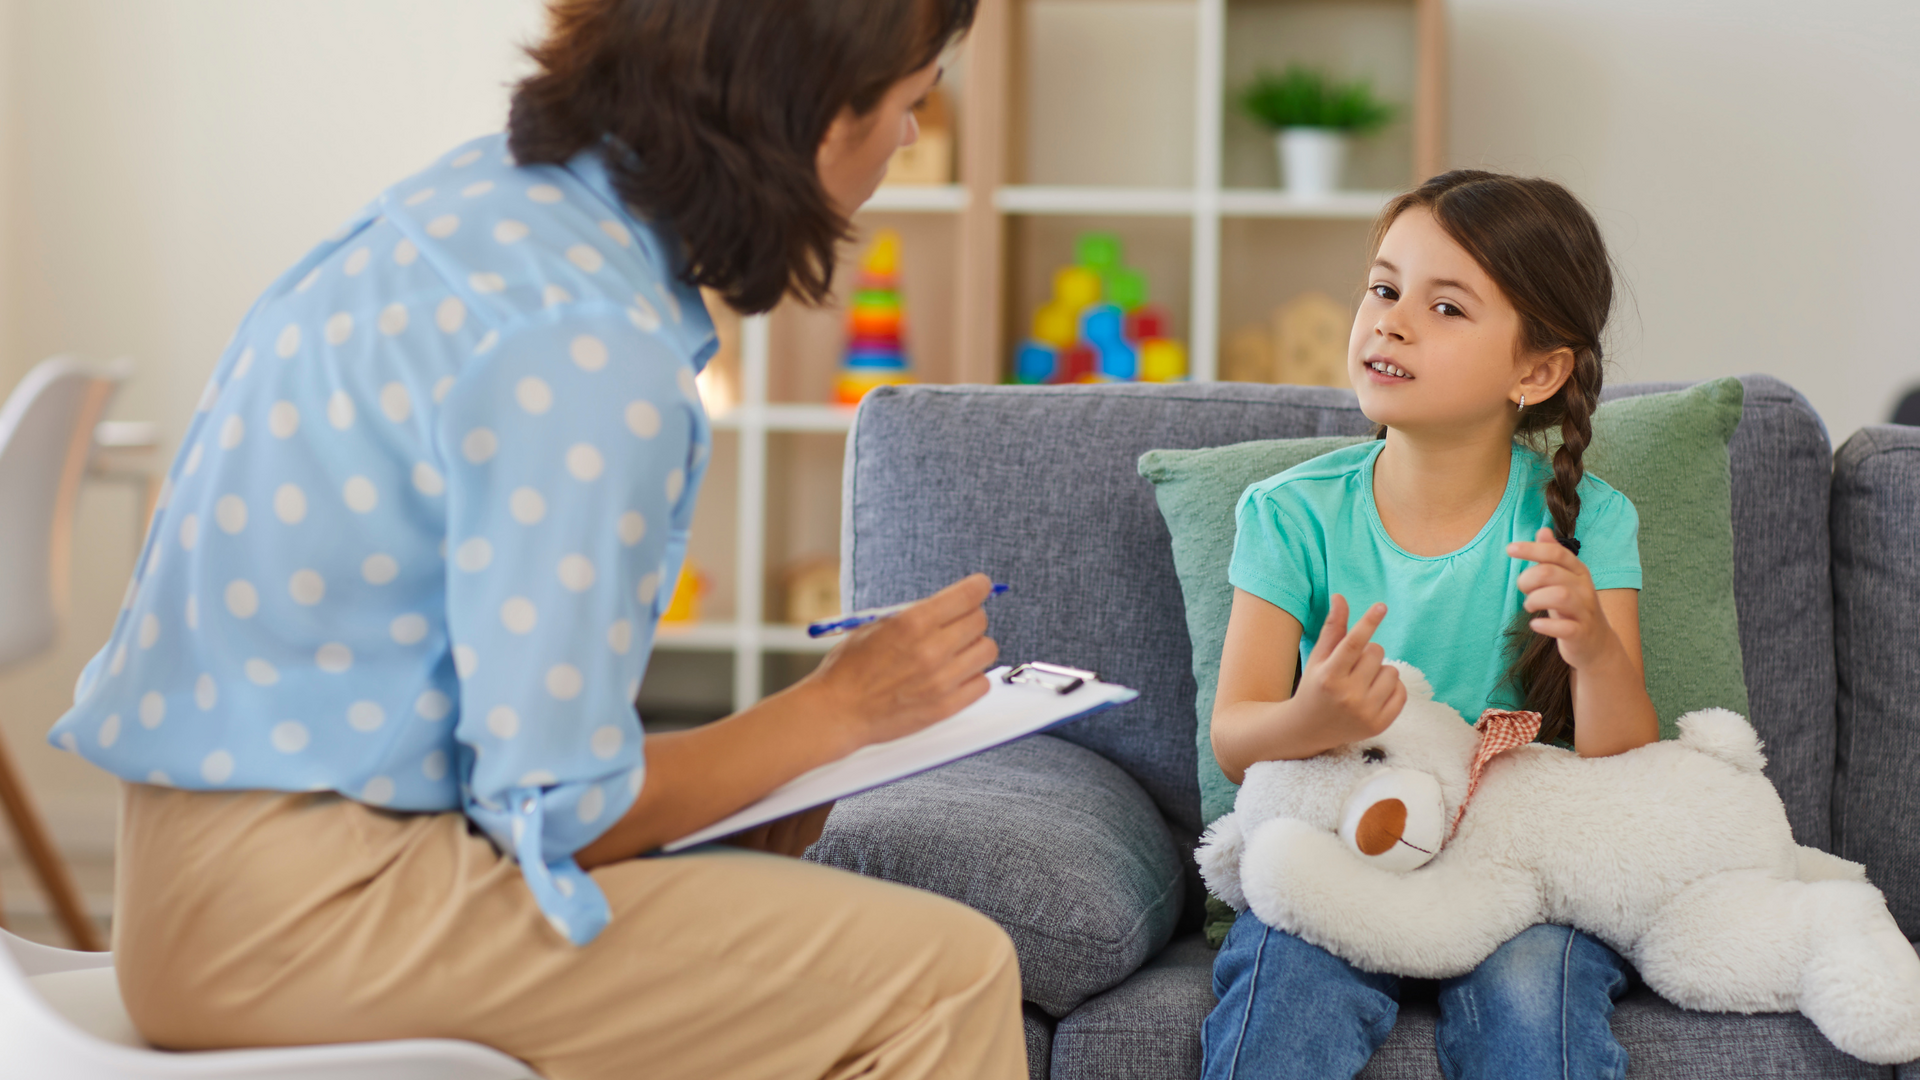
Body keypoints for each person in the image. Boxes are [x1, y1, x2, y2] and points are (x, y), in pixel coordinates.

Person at [46, 2, 1030, 1078]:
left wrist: (787, 764)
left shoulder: (487, 213)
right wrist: (842, 709)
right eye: (909, 103)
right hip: (305, 915)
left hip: (213, 887)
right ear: (816, 109)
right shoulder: (589, 344)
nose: (910, 139)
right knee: (947, 973)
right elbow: (564, 807)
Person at [1201, 171, 1660, 1080]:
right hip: (1341, 850)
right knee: (1282, 987)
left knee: (1538, 995)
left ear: (1537, 371)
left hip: (1517, 873)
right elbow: (1235, 737)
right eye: (1383, 288)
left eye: (1445, 307)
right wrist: (1316, 720)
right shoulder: (1290, 515)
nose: (1392, 321)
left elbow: (1625, 765)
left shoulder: (1591, 523)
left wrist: (1594, 652)